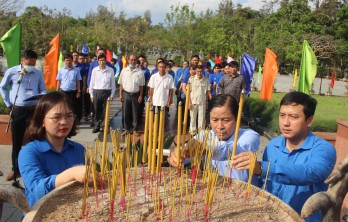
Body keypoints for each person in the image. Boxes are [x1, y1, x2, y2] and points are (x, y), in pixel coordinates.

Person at [232, 91, 336, 222]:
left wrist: (263, 168)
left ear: (309, 121)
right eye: (282, 115)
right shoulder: (272, 146)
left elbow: (309, 172)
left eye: (293, 117)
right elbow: (266, 184)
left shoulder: (324, 150)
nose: (285, 123)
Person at [18, 91, 87, 208]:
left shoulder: (79, 150)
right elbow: (38, 190)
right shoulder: (29, 152)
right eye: (56, 117)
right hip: (42, 213)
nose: (64, 122)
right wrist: (72, 173)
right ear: (41, 121)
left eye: (69, 116)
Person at [168, 94, 260, 181]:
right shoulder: (204, 136)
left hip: (243, 192)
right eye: (215, 120)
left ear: (237, 118)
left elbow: (232, 149)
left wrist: (206, 148)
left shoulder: (249, 136)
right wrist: (176, 155)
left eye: (226, 120)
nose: (220, 126)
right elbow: (185, 152)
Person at [0, 49, 47, 181]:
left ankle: (34, 168)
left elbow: (42, 88)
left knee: (35, 138)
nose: (31, 66)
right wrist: (8, 103)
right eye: (29, 63)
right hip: (18, 109)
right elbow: (2, 87)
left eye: (33, 63)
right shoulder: (12, 72)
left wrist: (42, 97)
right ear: (22, 60)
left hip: (33, 109)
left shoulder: (37, 73)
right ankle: (16, 169)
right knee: (17, 140)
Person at [118, 54, 145, 136]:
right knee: (126, 112)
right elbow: (121, 84)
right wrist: (120, 95)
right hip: (126, 94)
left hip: (135, 95)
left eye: (134, 60)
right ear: (128, 60)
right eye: (131, 59)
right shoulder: (124, 71)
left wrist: (140, 95)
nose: (133, 61)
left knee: (135, 112)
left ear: (136, 61)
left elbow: (141, 86)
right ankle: (126, 129)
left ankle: (134, 129)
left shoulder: (140, 72)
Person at [89, 54, 116, 133]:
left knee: (105, 111)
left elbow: (113, 84)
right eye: (100, 61)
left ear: (106, 61)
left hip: (106, 92)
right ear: (98, 61)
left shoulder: (110, 70)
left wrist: (112, 95)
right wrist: (91, 94)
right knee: (97, 110)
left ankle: (104, 126)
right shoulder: (95, 70)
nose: (102, 62)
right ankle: (96, 126)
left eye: (103, 60)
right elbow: (92, 83)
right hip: (96, 92)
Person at [56, 53, 82, 121]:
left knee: (72, 107)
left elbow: (78, 81)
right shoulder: (61, 70)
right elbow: (58, 81)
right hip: (63, 91)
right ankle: (64, 119)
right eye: (67, 60)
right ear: (64, 61)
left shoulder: (76, 70)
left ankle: (72, 120)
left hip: (73, 91)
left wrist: (79, 91)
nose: (68, 62)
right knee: (63, 106)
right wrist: (57, 90)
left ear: (72, 60)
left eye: (69, 60)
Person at [188, 65, 212, 134]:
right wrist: (189, 102)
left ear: (203, 71)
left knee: (202, 119)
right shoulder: (191, 79)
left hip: (202, 101)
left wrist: (207, 102)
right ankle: (192, 133)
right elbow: (189, 92)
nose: (199, 73)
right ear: (195, 71)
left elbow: (207, 91)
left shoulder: (206, 79)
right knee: (192, 118)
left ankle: (201, 133)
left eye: (201, 71)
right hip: (193, 101)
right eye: (198, 71)